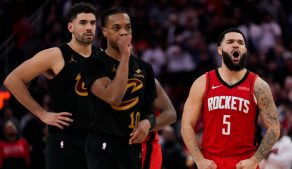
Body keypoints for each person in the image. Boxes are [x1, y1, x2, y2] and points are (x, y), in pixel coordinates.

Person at [3, 2, 97, 169]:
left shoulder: (102, 57)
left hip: (96, 140)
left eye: (92, 23)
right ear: (70, 27)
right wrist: (42, 114)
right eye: (83, 22)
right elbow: (12, 80)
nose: (89, 27)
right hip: (65, 140)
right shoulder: (55, 55)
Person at [181, 28, 280, 169]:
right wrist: (198, 159)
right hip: (211, 162)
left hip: (244, 162)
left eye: (240, 42)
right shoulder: (203, 82)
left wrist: (255, 160)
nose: (236, 45)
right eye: (230, 41)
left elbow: (274, 128)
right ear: (219, 50)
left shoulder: (259, 86)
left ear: (245, 50)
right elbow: (186, 125)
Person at [80, 7, 156, 169]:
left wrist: (147, 123)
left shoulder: (145, 68)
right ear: (105, 32)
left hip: (131, 145)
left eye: (127, 27)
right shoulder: (93, 63)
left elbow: (149, 111)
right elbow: (113, 97)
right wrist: (125, 58)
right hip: (103, 144)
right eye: (117, 28)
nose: (124, 32)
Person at [142, 79, 177, 169]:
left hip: (145, 147)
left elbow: (171, 114)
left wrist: (147, 125)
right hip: (114, 144)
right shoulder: (105, 76)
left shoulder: (148, 80)